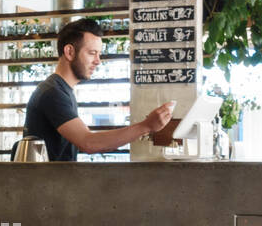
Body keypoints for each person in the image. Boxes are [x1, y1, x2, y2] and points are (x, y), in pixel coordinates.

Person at [22, 18, 173, 160]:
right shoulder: (52, 93)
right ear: (69, 52)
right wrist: (145, 126)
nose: (98, 61)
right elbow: (89, 143)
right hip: (46, 186)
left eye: (99, 54)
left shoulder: (61, 90)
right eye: (92, 53)